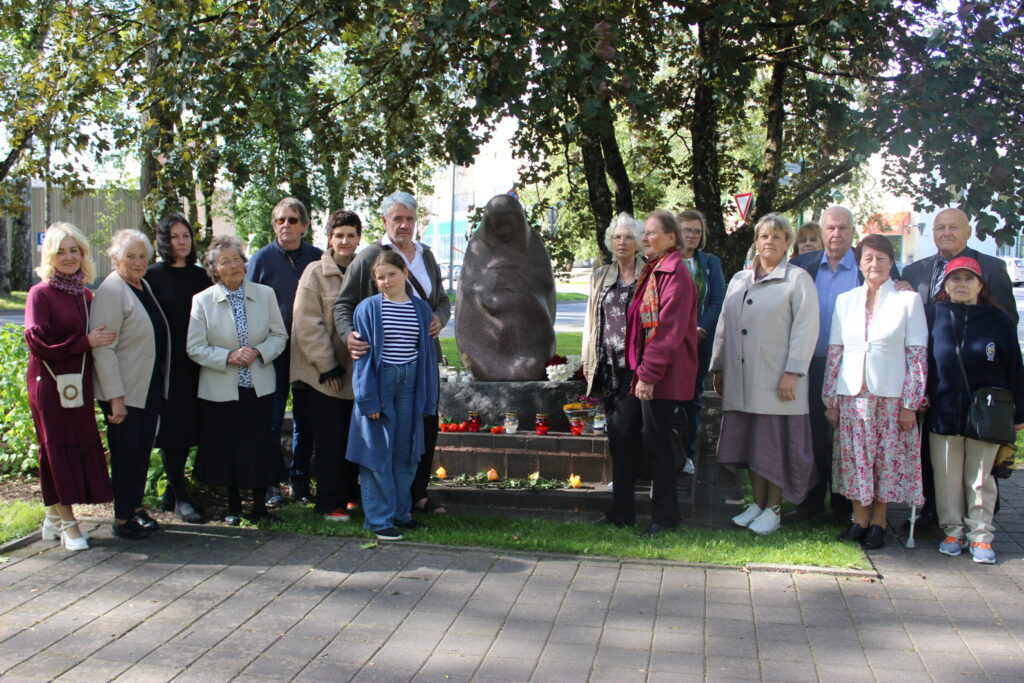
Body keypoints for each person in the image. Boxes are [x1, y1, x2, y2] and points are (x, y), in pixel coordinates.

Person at [899, 207, 1018, 529]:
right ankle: (936, 514)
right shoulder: (916, 270)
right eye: (940, 228)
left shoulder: (991, 268)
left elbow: (1006, 329)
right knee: (937, 460)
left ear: (968, 232)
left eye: (954, 227)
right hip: (937, 384)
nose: (947, 233)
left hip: (981, 388)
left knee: (978, 463)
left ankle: (979, 522)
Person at [333, 191, 450, 515]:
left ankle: (414, 496)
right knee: (381, 435)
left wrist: (440, 317)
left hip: (422, 359)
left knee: (422, 428)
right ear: (385, 220)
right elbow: (343, 304)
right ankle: (381, 506)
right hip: (381, 365)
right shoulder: (370, 257)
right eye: (397, 218)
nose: (404, 225)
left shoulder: (425, 255)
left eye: (410, 219)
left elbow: (442, 299)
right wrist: (348, 335)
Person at [787, 206, 898, 524]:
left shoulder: (868, 266)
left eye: (843, 228)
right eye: (830, 228)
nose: (836, 234)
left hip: (854, 368)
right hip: (808, 365)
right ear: (822, 231)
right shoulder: (802, 266)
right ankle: (809, 501)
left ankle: (843, 505)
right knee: (811, 433)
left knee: (847, 436)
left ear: (853, 232)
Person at [712, 213, 819, 535]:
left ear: (787, 243)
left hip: (777, 381)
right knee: (750, 445)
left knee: (772, 448)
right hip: (741, 379)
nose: (769, 241)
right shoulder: (739, 279)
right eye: (763, 236)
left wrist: (793, 372)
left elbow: (806, 329)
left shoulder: (797, 279)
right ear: (756, 241)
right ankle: (757, 504)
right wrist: (718, 365)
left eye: (776, 236)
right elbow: (724, 325)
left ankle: (774, 508)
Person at [823, 234, 928, 549]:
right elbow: (835, 353)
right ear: (859, 263)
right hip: (852, 397)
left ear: (891, 262)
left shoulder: (908, 300)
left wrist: (910, 404)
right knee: (855, 460)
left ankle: (879, 522)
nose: (874, 264)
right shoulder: (846, 300)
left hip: (890, 398)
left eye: (881, 258)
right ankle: (859, 520)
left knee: (885, 462)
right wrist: (830, 400)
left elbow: (917, 356)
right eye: (868, 258)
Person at [600, 210, 698, 537]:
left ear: (672, 237)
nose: (646, 238)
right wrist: (638, 371)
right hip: (639, 369)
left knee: (657, 444)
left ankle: (666, 517)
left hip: (659, 375)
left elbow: (667, 333)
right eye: (646, 233)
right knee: (620, 431)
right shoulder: (654, 270)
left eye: (653, 233)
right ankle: (621, 512)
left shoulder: (675, 274)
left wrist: (648, 375)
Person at [926, 257, 1024, 564]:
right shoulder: (934, 314)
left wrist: (1020, 413)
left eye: (968, 279)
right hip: (943, 410)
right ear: (945, 285)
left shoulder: (998, 319)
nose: (961, 284)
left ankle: (981, 535)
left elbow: (1014, 365)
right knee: (947, 476)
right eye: (955, 279)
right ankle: (952, 531)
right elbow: (922, 359)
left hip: (987, 412)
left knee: (981, 477)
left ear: (980, 285)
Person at [25, 223, 116, 550]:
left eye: (74, 250)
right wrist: (84, 342)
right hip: (50, 386)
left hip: (77, 386)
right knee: (56, 450)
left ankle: (52, 519)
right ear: (50, 255)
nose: (68, 257)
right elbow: (38, 342)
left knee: (76, 446)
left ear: (83, 254)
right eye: (61, 251)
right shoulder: (40, 293)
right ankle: (68, 524)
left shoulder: (85, 295)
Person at [187, 236, 289, 525]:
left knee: (259, 446)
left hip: (258, 385)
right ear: (214, 269)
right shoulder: (202, 301)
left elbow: (279, 335)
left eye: (236, 259)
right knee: (227, 448)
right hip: (221, 388)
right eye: (225, 261)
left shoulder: (265, 294)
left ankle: (259, 507)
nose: (233, 265)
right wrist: (228, 356)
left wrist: (258, 351)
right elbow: (194, 347)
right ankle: (233, 507)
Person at [347, 249, 439, 540]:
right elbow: (362, 359)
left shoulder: (421, 309)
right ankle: (379, 519)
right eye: (380, 277)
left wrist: (428, 399)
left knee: (407, 451)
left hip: (411, 384)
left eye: (392, 274)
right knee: (378, 452)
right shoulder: (368, 309)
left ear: (405, 273)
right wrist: (368, 399)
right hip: (381, 383)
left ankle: (401, 513)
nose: (387, 281)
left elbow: (427, 357)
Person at [91, 229, 172, 540]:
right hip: (123, 392)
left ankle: (135, 508)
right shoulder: (112, 291)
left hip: (146, 387)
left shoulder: (141, 284)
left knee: (140, 453)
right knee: (126, 456)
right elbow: (104, 348)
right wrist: (115, 398)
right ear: (115, 259)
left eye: (142, 256)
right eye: (130, 256)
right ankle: (123, 518)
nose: (138, 262)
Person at [246, 197, 322, 507]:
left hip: (308, 351)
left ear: (304, 226)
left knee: (307, 420)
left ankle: (299, 480)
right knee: (271, 420)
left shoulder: (318, 258)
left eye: (292, 220)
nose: (286, 225)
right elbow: (247, 303)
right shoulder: (261, 259)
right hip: (271, 352)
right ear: (274, 225)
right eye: (280, 220)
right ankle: (270, 484)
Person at [291, 210, 363, 522]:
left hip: (357, 370)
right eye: (339, 235)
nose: (345, 241)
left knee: (353, 436)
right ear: (330, 239)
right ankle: (330, 502)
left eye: (350, 235)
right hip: (322, 373)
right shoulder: (315, 272)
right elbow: (306, 323)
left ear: (359, 238)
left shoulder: (367, 269)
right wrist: (327, 366)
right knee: (330, 439)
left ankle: (350, 495)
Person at [145, 214, 211, 524]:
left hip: (201, 362)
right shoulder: (152, 276)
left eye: (186, 236)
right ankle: (181, 499)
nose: (181, 242)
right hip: (169, 365)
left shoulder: (202, 276)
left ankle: (172, 491)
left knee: (193, 430)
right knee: (174, 432)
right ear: (164, 241)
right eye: (174, 237)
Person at [673, 209, 725, 476]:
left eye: (697, 231)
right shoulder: (666, 261)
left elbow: (717, 300)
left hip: (699, 342)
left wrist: (701, 327)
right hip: (671, 343)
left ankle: (687, 454)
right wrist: (681, 330)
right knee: (669, 400)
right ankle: (667, 452)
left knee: (692, 399)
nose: (692, 236)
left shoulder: (709, 263)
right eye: (687, 230)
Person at [582, 213, 645, 406]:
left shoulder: (649, 274)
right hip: (607, 361)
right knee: (612, 415)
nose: (621, 242)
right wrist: (586, 359)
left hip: (638, 361)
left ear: (637, 242)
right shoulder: (600, 276)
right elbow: (590, 320)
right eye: (617, 237)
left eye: (628, 237)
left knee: (632, 417)